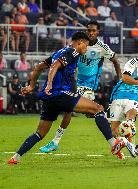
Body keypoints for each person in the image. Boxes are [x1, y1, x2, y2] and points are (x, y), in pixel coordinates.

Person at [7, 31, 124, 164]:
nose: (86, 49)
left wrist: (31, 86)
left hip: (49, 98)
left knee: (40, 133)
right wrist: (50, 83)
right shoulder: (72, 52)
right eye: (85, 46)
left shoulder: (59, 52)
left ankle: (15, 157)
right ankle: (114, 144)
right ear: (80, 43)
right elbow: (55, 66)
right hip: (61, 94)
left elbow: (39, 67)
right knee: (98, 108)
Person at [39, 21, 124, 159]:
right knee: (91, 113)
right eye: (89, 30)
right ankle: (116, 137)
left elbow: (115, 60)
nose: (91, 33)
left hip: (89, 86)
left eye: (94, 31)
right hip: (74, 83)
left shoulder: (102, 47)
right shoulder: (79, 45)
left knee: (72, 111)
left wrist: (120, 78)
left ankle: (55, 141)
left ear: (98, 32)